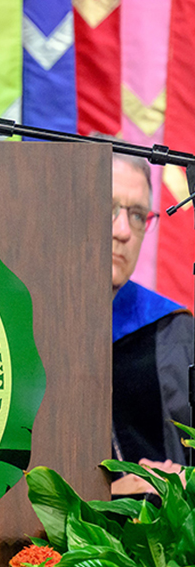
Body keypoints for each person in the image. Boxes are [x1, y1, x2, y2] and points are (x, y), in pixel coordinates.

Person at [108, 151, 193, 495]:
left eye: (138, 215)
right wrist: (105, 495)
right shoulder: (18, 330)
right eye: (108, 208)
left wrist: (184, 486)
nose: (124, 231)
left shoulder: (174, 331)